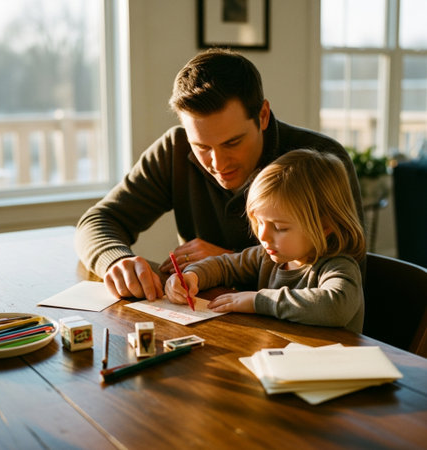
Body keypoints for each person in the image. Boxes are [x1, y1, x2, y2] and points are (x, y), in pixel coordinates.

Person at [75, 48, 364, 301]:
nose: (217, 163)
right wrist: (117, 260)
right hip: (206, 320)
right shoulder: (174, 149)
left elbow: (345, 280)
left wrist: (229, 261)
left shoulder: (321, 161)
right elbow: (98, 220)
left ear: (263, 116)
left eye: (232, 143)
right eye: (201, 146)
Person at [165, 149, 366, 333]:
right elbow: (225, 265)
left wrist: (257, 301)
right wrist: (192, 277)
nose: (263, 236)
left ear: (324, 227)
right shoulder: (267, 256)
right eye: (259, 222)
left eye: (279, 227)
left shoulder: (338, 267)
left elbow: (336, 306)